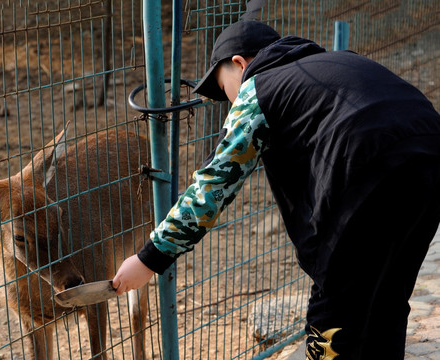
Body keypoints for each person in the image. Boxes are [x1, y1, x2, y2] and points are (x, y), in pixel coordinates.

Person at [112, 18, 440, 360]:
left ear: (240, 63)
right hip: (431, 160)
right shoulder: (338, 61)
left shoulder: (260, 86)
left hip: (367, 171)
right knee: (385, 298)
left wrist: (150, 258)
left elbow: (213, 184)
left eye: (225, 89)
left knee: (332, 314)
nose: (231, 102)